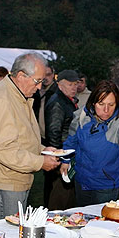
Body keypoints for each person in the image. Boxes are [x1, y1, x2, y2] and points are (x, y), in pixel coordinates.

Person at [0, 52, 60, 219]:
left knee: (17, 231)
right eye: (37, 81)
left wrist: (44, 150)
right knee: (9, 235)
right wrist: (40, 162)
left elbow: (23, 137)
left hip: (15, 179)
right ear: (21, 75)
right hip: (6, 181)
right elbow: (5, 150)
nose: (39, 87)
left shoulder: (17, 95)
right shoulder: (2, 99)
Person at [61, 80, 119, 206]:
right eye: (101, 104)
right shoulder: (82, 116)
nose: (106, 110)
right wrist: (65, 160)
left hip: (106, 186)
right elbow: (71, 140)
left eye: (111, 105)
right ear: (93, 103)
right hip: (82, 181)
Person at [44, 69, 80, 209]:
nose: (74, 87)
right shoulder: (58, 103)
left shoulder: (66, 100)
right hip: (60, 156)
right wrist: (57, 161)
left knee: (65, 196)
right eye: (70, 84)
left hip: (66, 153)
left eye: (76, 84)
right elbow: (54, 132)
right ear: (59, 85)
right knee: (58, 198)